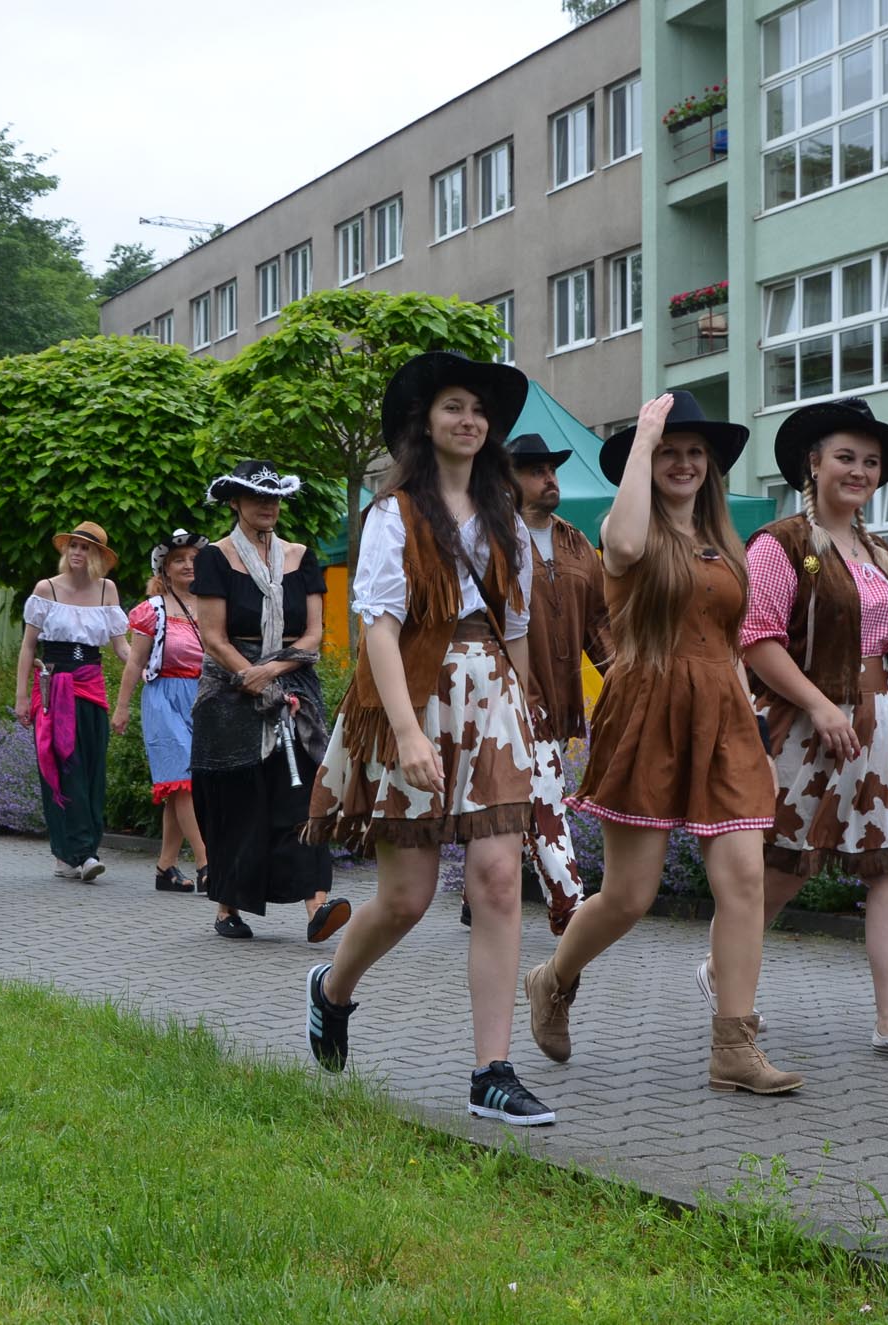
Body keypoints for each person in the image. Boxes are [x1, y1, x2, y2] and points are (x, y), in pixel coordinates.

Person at [525, 391, 804, 1095]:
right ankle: (551, 979)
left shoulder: (725, 543)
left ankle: (733, 1047)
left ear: (710, 467)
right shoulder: (631, 532)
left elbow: (734, 643)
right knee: (628, 895)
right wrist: (642, 436)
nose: (682, 462)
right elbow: (619, 546)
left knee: (743, 879)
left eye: (694, 452)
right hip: (648, 708)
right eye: (669, 451)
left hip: (725, 713)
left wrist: (755, 724)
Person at [303, 351, 553, 1127]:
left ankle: (492, 1072)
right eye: (454, 406)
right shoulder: (394, 515)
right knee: (407, 900)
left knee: (499, 883)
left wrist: (532, 730)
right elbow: (377, 625)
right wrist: (408, 730)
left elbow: (516, 630)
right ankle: (331, 988)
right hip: (413, 698)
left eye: (479, 409)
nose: (469, 419)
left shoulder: (508, 519)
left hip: (493, 706)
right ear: (426, 422)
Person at [721, 397, 888, 1064]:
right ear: (813, 463)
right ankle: (724, 967)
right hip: (807, 723)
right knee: (783, 866)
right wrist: (820, 705)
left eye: (871, 462)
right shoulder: (779, 543)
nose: (859, 470)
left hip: (885, 724)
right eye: (846, 457)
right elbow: (754, 639)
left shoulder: (876, 549)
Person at [191, 463, 344, 940]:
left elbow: (315, 635)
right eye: (257, 498)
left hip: (293, 682)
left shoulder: (301, 556)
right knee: (240, 800)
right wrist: (248, 674)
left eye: (274, 498)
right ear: (235, 502)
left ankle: (316, 905)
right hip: (229, 690)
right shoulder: (214, 558)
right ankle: (227, 905)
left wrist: (273, 673)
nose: (269, 506)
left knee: (301, 795)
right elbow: (213, 637)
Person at [498, 431, 614, 934]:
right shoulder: (492, 537)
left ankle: (483, 889)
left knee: (522, 797)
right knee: (543, 789)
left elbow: (598, 622)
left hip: (562, 694)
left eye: (553, 469)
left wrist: (623, 677)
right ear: (509, 480)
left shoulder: (574, 540)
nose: (550, 479)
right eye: (536, 470)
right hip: (507, 693)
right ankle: (570, 903)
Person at [13, 522, 131, 882]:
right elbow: (28, 647)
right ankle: (80, 852)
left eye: (86, 548)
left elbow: (122, 647)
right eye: (73, 547)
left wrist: (150, 666)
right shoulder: (45, 589)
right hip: (54, 685)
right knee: (65, 767)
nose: (77, 553)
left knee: (92, 768)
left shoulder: (106, 590)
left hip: (91, 685)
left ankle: (75, 852)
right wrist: (21, 698)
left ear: (97, 557)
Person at [112, 529, 210, 893]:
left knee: (179, 786)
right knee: (183, 780)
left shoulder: (213, 605)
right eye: (179, 560)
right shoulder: (151, 610)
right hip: (163, 697)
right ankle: (206, 862)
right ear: (164, 570)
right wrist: (122, 707)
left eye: (193, 560)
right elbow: (135, 661)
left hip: (202, 698)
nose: (187, 565)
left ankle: (165, 868)